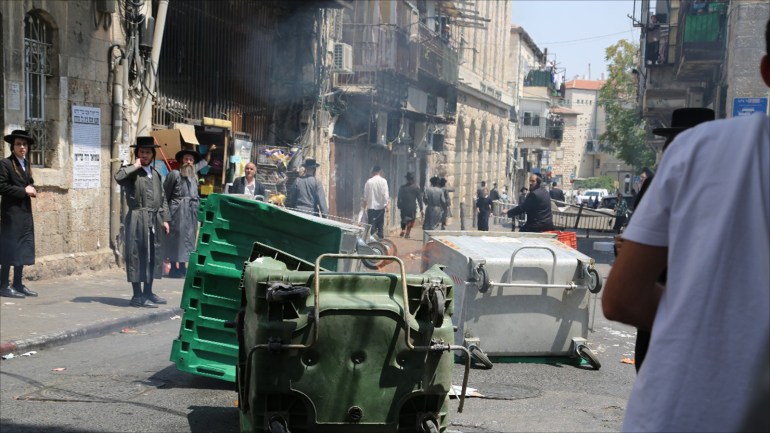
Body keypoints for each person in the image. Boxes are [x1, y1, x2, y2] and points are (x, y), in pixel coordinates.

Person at [603, 22, 770, 432]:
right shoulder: (689, 158)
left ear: (765, 71)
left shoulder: (696, 154)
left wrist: (699, 315)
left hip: (681, 402)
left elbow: (625, 292)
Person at [619, 108, 714, 372]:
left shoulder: (662, 183)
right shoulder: (730, 186)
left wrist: (627, 254)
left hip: (663, 297)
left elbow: (619, 299)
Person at [114, 136, 171, 308]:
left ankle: (148, 292)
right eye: (141, 152)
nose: (144, 155)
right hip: (137, 219)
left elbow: (163, 199)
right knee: (137, 255)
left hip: (155, 219)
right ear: (137, 154)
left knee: (153, 255)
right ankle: (137, 296)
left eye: (147, 152)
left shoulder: (156, 174)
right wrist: (134, 166)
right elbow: (118, 177)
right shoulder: (131, 172)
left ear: (153, 155)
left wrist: (166, 219)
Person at [0, 130, 38, 298]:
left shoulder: (25, 163)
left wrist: (32, 188)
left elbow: (27, 182)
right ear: (12, 146)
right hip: (11, 214)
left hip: (24, 214)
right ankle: (3, 285)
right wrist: (24, 190)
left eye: (24, 144)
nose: (22, 147)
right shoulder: (5, 164)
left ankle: (17, 283)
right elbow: (2, 187)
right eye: (18, 144)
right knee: (10, 248)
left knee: (22, 247)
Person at [163, 149, 204, 279]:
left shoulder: (194, 177)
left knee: (189, 240)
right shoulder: (174, 174)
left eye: (191, 160)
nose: (188, 162)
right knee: (176, 240)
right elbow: (165, 195)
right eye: (186, 159)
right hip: (177, 212)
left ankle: (182, 267)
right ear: (182, 161)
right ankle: (174, 267)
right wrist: (166, 215)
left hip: (191, 213)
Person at [362, 165, 389, 239]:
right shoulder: (384, 181)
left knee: (372, 228)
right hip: (380, 208)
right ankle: (380, 243)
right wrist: (387, 206)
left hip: (371, 208)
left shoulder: (369, 182)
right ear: (380, 172)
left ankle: (373, 244)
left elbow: (365, 197)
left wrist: (363, 209)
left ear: (372, 172)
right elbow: (385, 195)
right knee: (380, 227)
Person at [396, 172, 423, 239]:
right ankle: (407, 233)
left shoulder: (402, 187)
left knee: (403, 219)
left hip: (404, 206)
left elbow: (399, 197)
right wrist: (421, 208)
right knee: (411, 220)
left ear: (407, 179)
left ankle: (403, 230)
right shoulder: (416, 188)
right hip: (412, 207)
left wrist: (398, 204)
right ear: (413, 179)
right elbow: (419, 199)